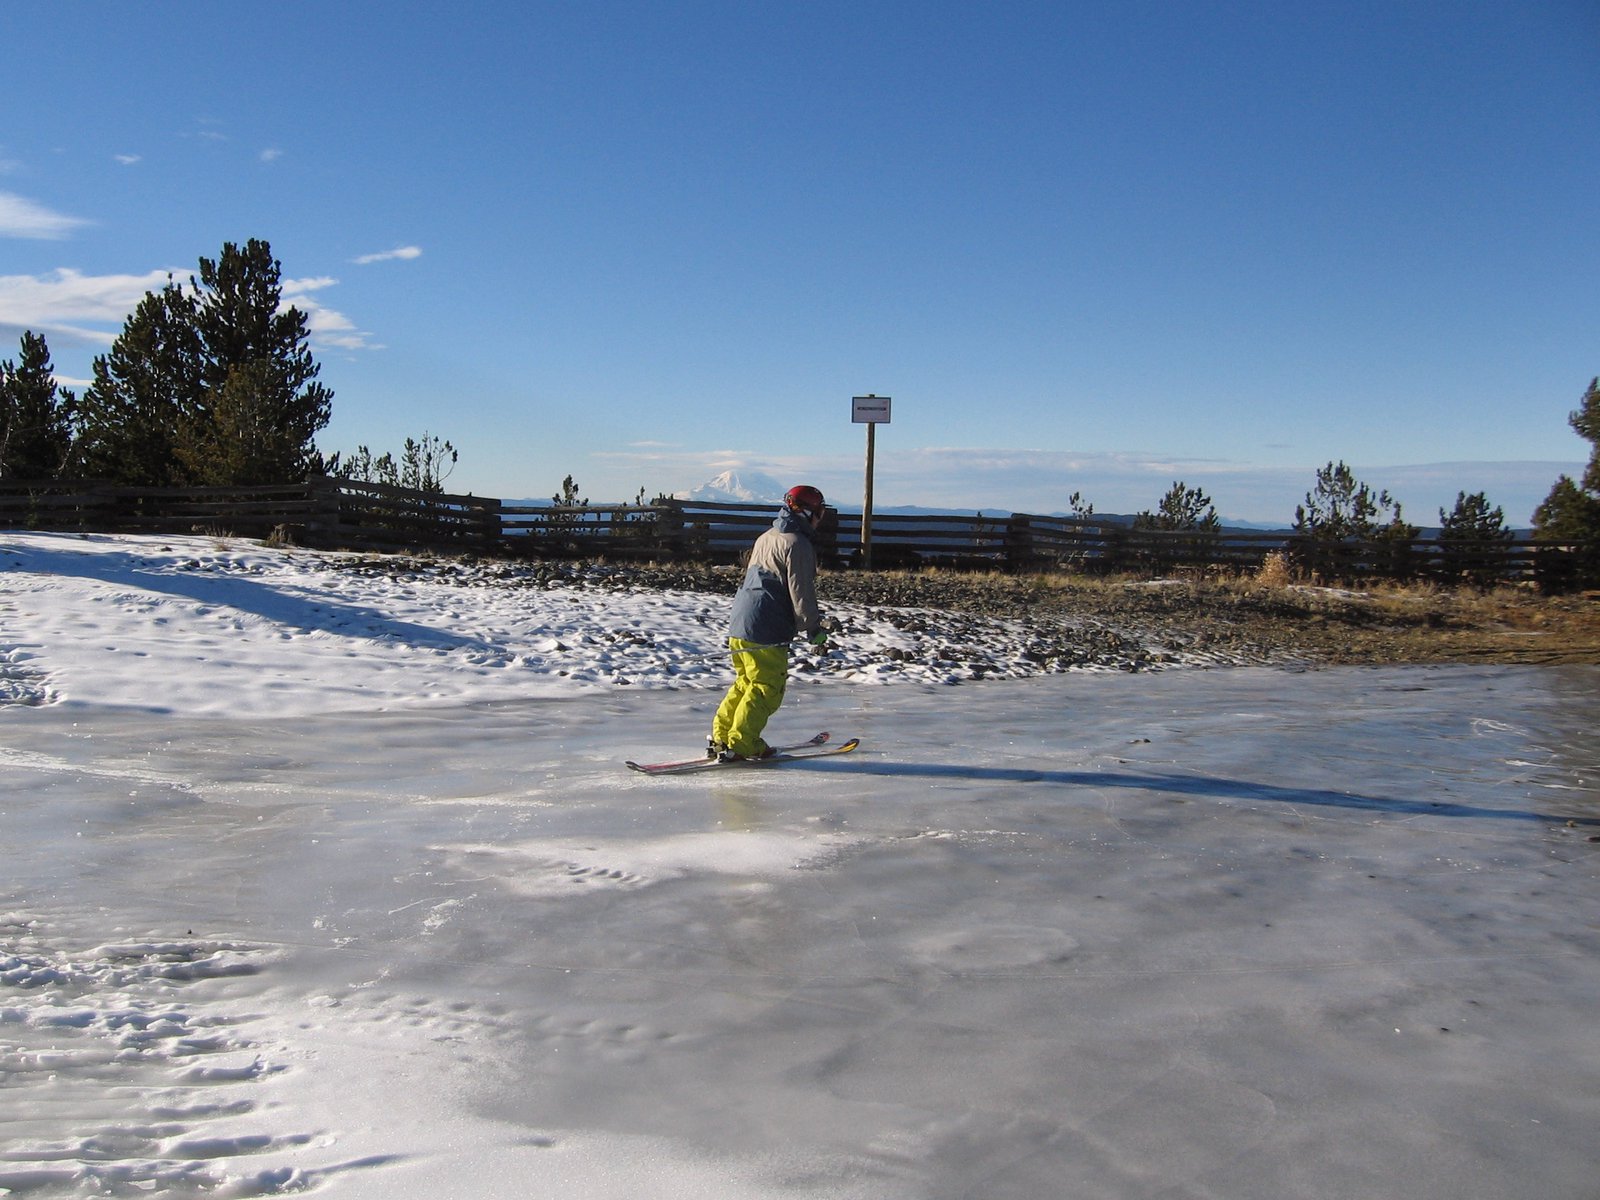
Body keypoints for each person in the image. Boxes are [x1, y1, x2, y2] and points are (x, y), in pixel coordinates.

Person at [709, 484, 830, 761]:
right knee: (767, 686)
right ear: (811, 512)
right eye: (821, 512)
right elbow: (801, 592)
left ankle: (722, 736)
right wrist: (813, 628)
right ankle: (743, 743)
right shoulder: (797, 544)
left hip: (741, 621)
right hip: (766, 625)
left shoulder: (768, 536)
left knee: (746, 682)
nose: (822, 518)